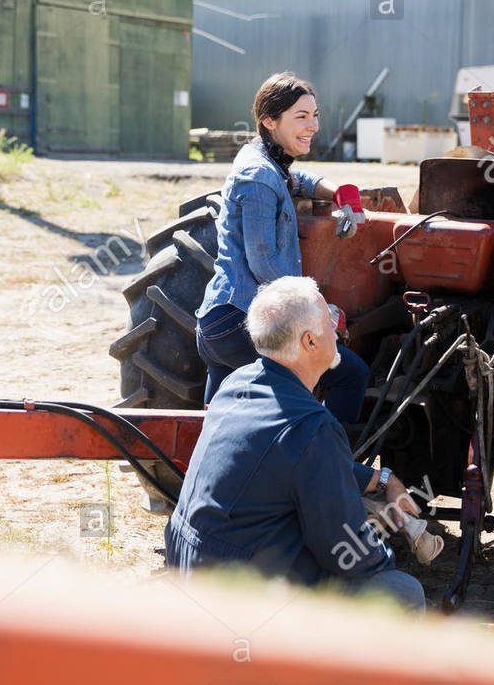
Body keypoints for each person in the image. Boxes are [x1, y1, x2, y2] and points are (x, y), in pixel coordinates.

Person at [167, 277, 428, 611]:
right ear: (310, 342)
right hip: (238, 595)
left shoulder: (237, 383)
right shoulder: (314, 426)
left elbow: (293, 459)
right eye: (330, 322)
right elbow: (345, 554)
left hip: (189, 566)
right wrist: (383, 554)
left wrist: (381, 479)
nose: (338, 330)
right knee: (401, 592)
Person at [196, 71, 370, 422]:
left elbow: (297, 179)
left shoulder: (261, 160)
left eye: (315, 115)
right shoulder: (258, 177)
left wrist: (339, 194)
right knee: (352, 374)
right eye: (301, 117)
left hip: (220, 324)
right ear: (269, 121)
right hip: (243, 322)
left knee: (218, 422)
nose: (313, 126)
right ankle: (334, 465)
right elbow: (264, 263)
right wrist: (320, 308)